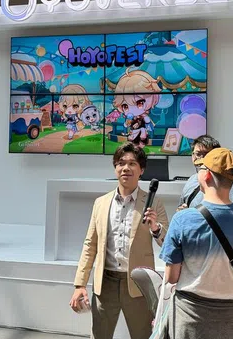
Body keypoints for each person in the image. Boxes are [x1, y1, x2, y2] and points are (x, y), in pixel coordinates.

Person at [70, 142, 170, 339]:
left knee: (143, 335)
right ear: (115, 168)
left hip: (138, 284)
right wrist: (79, 285)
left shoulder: (153, 203)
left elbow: (167, 243)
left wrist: (156, 228)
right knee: (99, 335)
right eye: (121, 163)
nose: (126, 168)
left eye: (132, 163)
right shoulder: (101, 203)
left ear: (141, 170)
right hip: (105, 283)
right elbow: (90, 245)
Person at [156, 148, 233, 338]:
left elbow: (172, 276)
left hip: (191, 313)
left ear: (207, 175)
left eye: (201, 168)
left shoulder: (183, 219)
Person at [178, 135, 233, 211]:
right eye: (198, 154)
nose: (201, 158)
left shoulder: (225, 183)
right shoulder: (191, 180)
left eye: (207, 155)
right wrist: (183, 212)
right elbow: (181, 207)